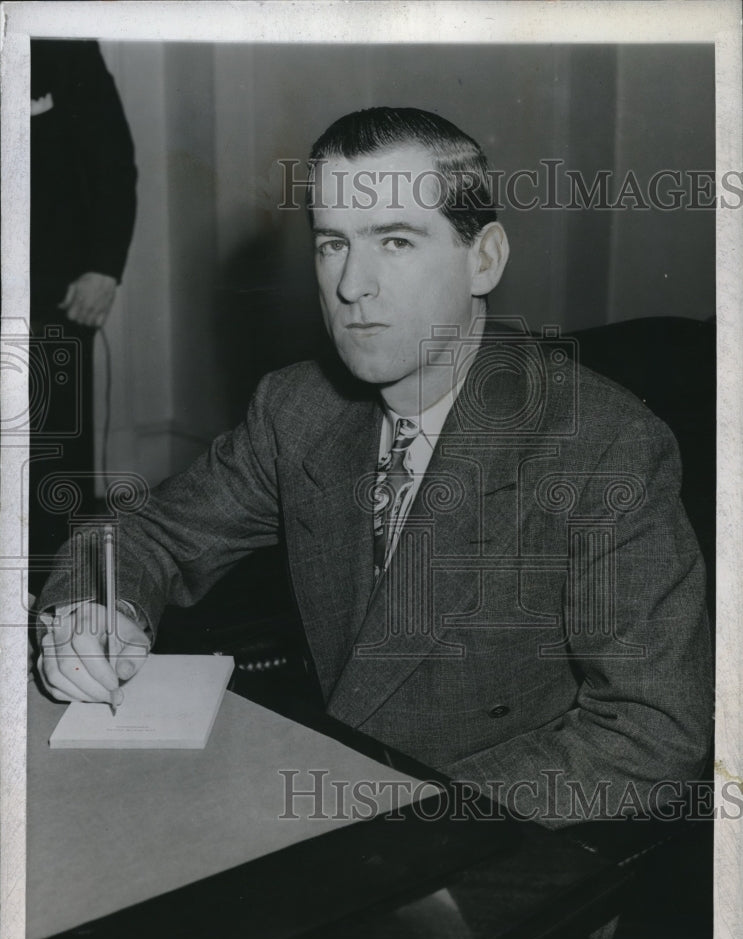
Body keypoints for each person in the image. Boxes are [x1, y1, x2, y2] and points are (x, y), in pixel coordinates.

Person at [36, 107, 712, 826]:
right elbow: (145, 535)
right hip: (329, 798)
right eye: (333, 244)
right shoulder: (298, 407)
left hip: (499, 847)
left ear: (483, 258)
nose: (352, 285)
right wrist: (92, 612)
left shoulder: (601, 444)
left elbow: (653, 732)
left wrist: (407, 812)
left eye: (394, 240)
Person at [29, 40, 137, 593]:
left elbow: (114, 159)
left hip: (52, 295)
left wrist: (103, 269)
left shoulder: (60, 40)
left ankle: (54, 609)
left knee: (51, 466)